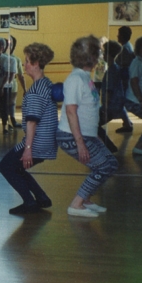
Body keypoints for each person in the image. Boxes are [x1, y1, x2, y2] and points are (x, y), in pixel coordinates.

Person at [56, 35, 119, 218]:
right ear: (90, 57)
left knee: (111, 163)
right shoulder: (75, 79)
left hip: (86, 135)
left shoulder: (85, 77)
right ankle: (76, 204)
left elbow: (88, 111)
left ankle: (86, 199)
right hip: (72, 137)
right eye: (98, 53)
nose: (100, 57)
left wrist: (94, 136)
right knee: (103, 166)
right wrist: (81, 143)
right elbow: (71, 112)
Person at [0, 43, 57, 214]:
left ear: (36, 63)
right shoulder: (47, 84)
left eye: (27, 62)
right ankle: (42, 197)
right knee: (16, 167)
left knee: (6, 166)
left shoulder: (35, 91)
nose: (24, 65)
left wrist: (28, 150)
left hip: (37, 142)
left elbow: (32, 122)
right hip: (47, 141)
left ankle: (30, 202)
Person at [97, 40, 125, 153]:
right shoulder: (115, 68)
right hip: (114, 105)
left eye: (104, 53)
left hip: (111, 106)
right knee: (94, 125)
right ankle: (109, 146)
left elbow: (109, 91)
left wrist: (105, 108)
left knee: (93, 125)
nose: (103, 55)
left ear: (108, 55)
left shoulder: (112, 71)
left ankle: (109, 146)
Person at [114, 26, 136, 133]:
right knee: (121, 102)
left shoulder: (125, 49)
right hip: (124, 77)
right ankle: (126, 122)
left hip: (123, 78)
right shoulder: (127, 46)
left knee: (120, 102)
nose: (117, 36)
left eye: (119, 34)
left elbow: (122, 65)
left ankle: (127, 123)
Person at [5, 35, 27, 129]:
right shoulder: (2, 57)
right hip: (2, 84)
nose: (10, 46)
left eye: (11, 43)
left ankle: (13, 120)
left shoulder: (17, 59)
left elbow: (21, 76)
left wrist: (25, 89)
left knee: (12, 103)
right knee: (3, 104)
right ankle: (5, 122)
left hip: (13, 85)